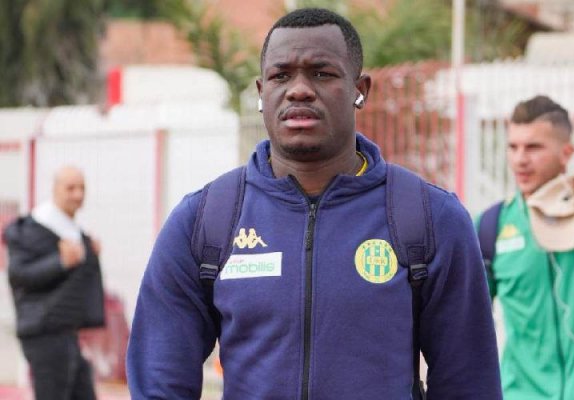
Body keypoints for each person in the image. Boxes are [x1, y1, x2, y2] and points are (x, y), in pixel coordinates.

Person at [127, 8, 501, 399]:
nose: (299, 90)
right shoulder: (204, 221)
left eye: (322, 73)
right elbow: (159, 382)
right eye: (281, 76)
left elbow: (469, 384)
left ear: (360, 90)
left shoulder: (429, 218)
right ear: (261, 92)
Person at [477, 95, 574, 399]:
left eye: (533, 147)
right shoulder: (491, 226)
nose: (520, 159)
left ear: (567, 153)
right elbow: (464, 326)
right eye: (513, 147)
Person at [3, 166, 104, 400]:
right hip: (44, 333)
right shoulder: (32, 229)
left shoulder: (73, 231)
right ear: (55, 189)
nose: (78, 194)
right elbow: (18, 275)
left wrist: (90, 254)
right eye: (71, 188)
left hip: (67, 333)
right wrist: (60, 262)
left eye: (82, 188)